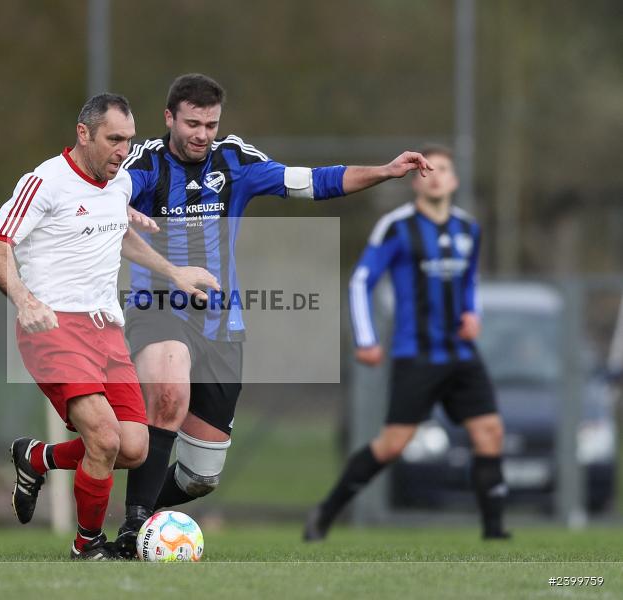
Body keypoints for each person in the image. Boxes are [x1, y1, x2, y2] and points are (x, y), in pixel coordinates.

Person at [111, 73, 435, 558]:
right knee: (169, 393)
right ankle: (131, 532)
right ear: (169, 118)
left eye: (211, 124)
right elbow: (103, 192)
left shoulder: (234, 160)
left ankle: (134, 511)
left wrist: (385, 171)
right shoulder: (144, 164)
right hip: (156, 307)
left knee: (200, 477)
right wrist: (119, 206)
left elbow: (311, 182)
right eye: (193, 123)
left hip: (221, 325)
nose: (202, 134)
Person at [0, 93, 218, 560]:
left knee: (133, 448)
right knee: (104, 439)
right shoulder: (45, 182)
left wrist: (174, 273)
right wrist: (24, 300)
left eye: (128, 140)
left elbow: (117, 230)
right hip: (52, 328)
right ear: (83, 133)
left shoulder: (119, 182)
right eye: (113, 139)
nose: (122, 150)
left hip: (106, 329)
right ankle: (87, 547)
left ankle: (37, 458)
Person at [303, 144, 510, 541]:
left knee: (490, 433)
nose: (435, 175)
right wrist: (366, 339)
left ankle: (495, 534)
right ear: (416, 180)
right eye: (427, 170)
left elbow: (470, 283)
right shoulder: (397, 227)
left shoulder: (469, 229)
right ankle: (326, 513)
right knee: (393, 445)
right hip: (416, 354)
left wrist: (474, 315)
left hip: (462, 355)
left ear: (455, 180)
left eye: (444, 169)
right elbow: (361, 281)